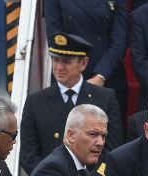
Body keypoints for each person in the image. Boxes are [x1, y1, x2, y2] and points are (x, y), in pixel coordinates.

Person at [19, 33, 122, 175]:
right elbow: (28, 154)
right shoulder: (35, 102)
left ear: (84, 63)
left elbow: (113, 149)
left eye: (66, 61)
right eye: (56, 60)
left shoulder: (105, 98)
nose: (59, 67)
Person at [44, 0, 128, 129]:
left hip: (108, 75)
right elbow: (55, 38)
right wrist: (76, 78)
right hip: (69, 78)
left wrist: (101, 76)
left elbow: (119, 42)